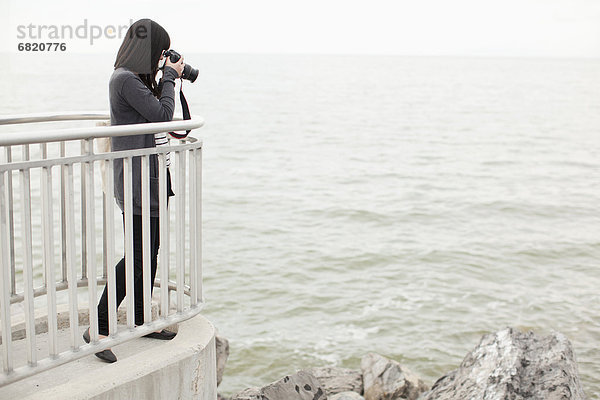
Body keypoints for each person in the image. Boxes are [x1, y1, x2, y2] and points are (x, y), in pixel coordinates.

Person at [83, 18, 185, 363]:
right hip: (137, 180)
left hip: (153, 177)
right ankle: (97, 326)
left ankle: (141, 317)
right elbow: (163, 115)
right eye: (158, 54)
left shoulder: (136, 80)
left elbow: (164, 116)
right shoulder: (124, 79)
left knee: (150, 250)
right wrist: (169, 77)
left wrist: (167, 79)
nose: (161, 60)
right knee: (138, 255)